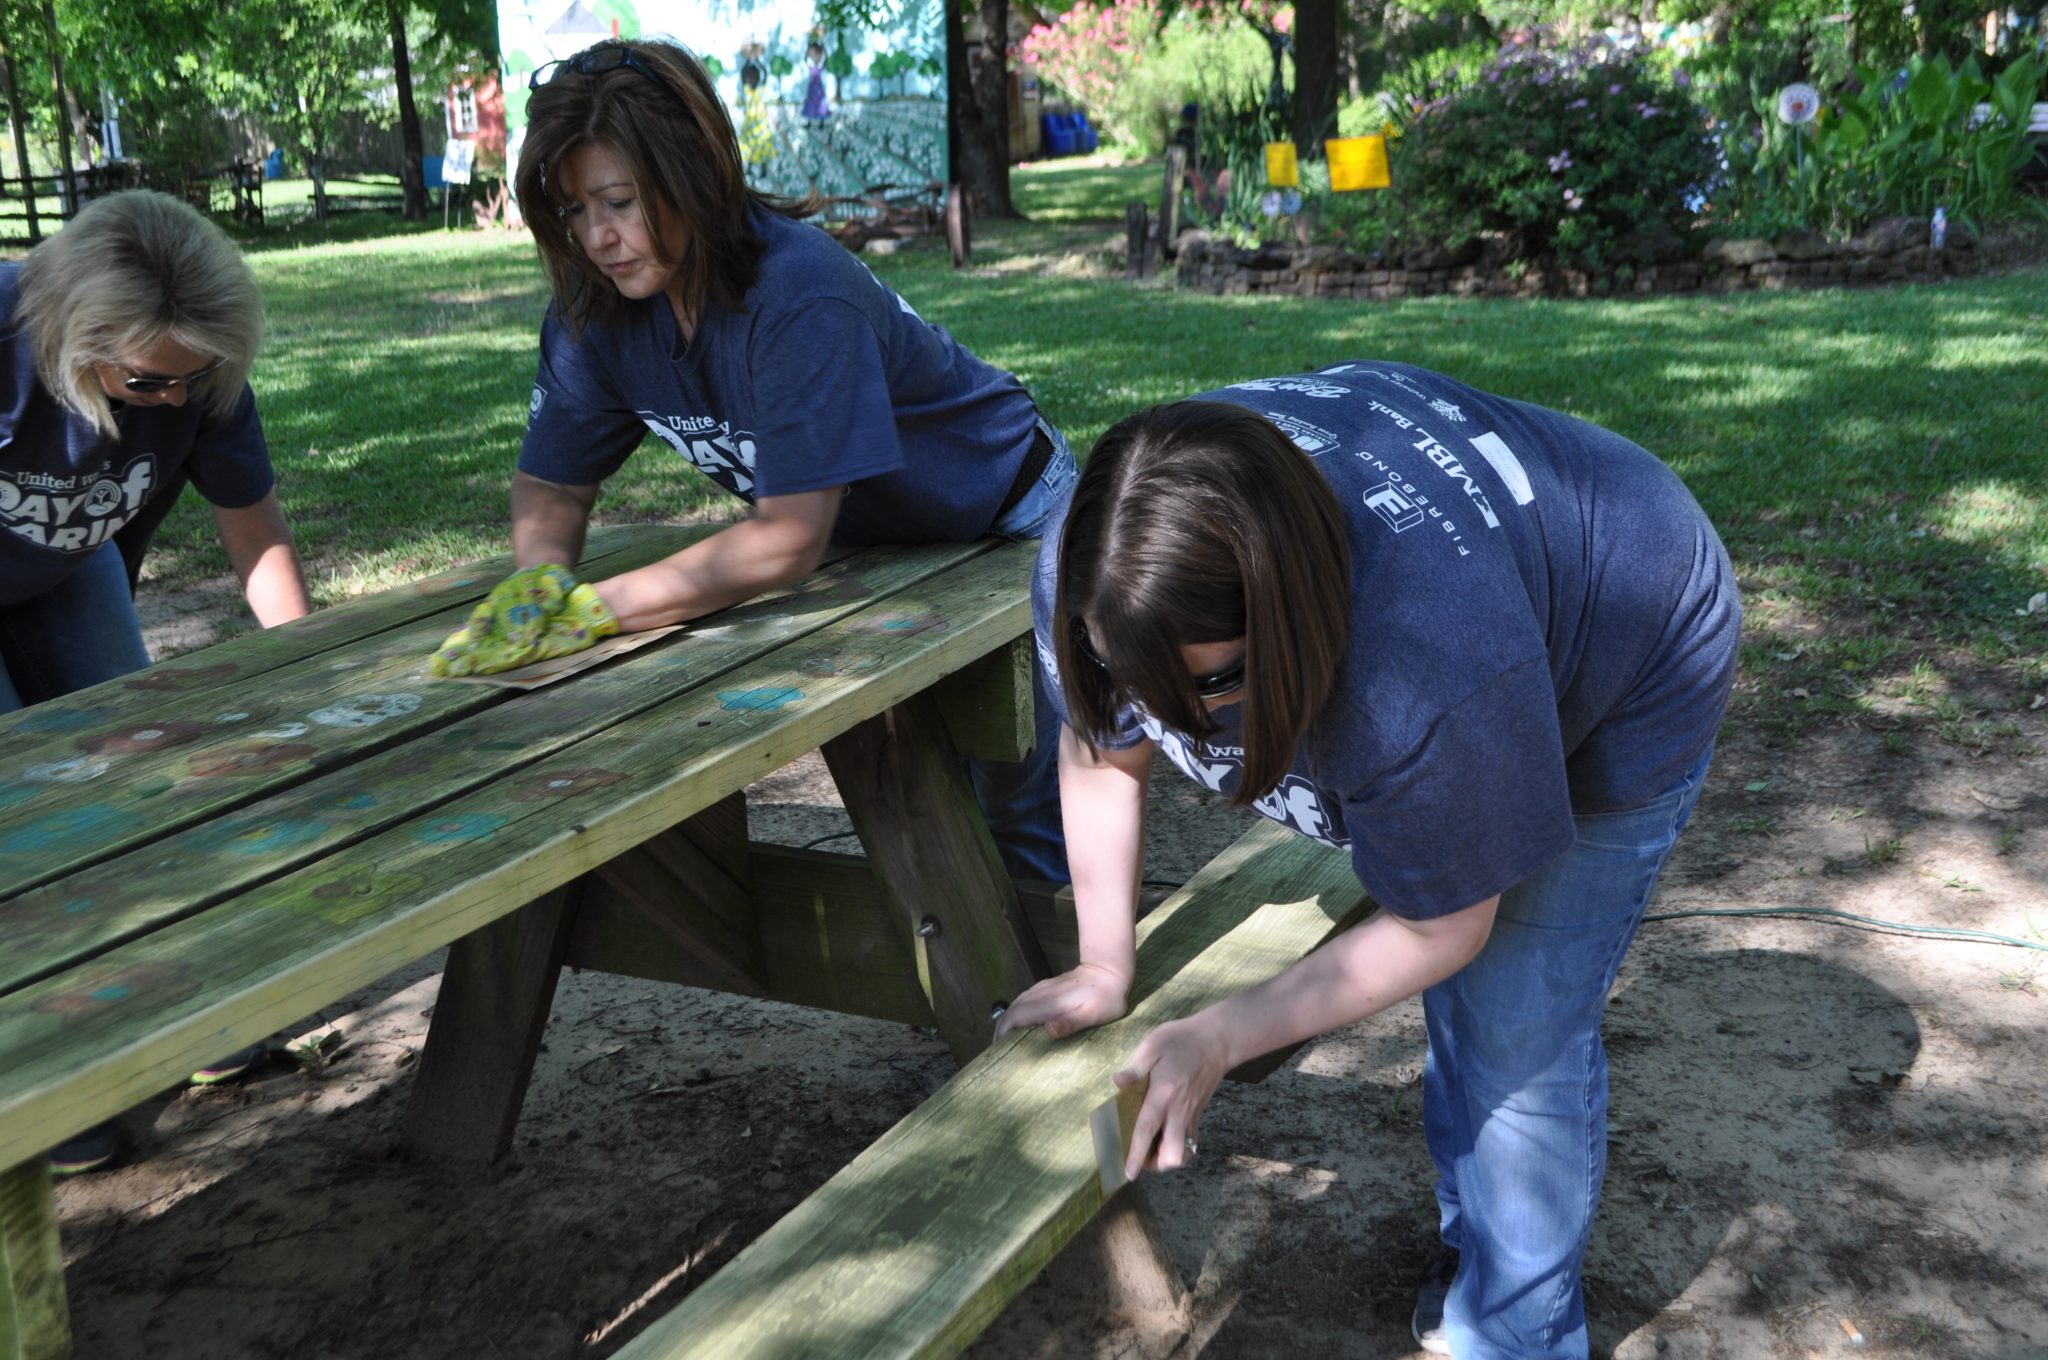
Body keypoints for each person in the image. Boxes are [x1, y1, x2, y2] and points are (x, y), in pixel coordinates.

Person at [997, 363, 1740, 1359]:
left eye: (1209, 683)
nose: (1163, 715)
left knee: (1515, 1023)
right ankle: (1468, 1238)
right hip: (1495, 613)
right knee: (1473, 990)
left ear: (1291, 612)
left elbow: (1445, 922)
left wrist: (1223, 1032)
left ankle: (1514, 1330)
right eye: (1126, 673)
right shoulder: (1095, 571)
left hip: (1636, 633)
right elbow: (1099, 750)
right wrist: (1102, 962)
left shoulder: (1426, 664)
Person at [434, 37, 1072, 881]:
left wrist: (591, 609)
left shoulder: (798, 294)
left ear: (691, 171)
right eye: (574, 210)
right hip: (873, 542)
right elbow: (554, 479)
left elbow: (786, 541)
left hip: (1011, 516)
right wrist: (539, 580)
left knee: (1024, 802)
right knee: (921, 772)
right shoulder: (596, 316)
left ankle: (1071, 984)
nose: (597, 237)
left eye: (618, 202)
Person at [1, 189, 315, 1174]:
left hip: (63, 564)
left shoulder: (198, 373)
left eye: (195, 379)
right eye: (148, 383)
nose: (175, 402)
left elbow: (254, 533)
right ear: (66, 337)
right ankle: (41, 1076)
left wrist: (313, 685)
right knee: (18, 814)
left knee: (133, 786)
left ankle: (177, 1008)